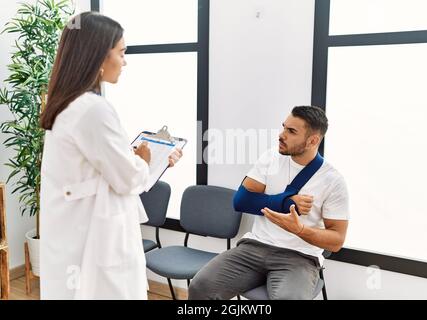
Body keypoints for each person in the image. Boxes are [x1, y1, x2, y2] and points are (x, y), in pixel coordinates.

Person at [39, 12, 182, 300]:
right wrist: (142, 157)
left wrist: (145, 161)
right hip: (97, 240)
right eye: (121, 52)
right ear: (99, 57)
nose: (125, 61)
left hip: (75, 237)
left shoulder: (65, 105)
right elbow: (128, 179)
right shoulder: (93, 109)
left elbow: (101, 169)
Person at [188, 106, 349, 300]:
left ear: (313, 140)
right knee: (200, 287)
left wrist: (300, 230)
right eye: (283, 127)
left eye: (291, 131)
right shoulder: (270, 158)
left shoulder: (333, 181)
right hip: (255, 247)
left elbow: (337, 240)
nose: (281, 135)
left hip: (299, 257)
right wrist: (285, 202)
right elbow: (242, 201)